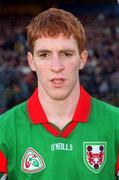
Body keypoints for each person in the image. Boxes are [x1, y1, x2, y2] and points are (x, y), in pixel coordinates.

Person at [0, 7, 119, 180]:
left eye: (66, 54)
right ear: (31, 61)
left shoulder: (116, 124)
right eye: (44, 54)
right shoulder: (4, 130)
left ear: (82, 59)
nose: (56, 66)